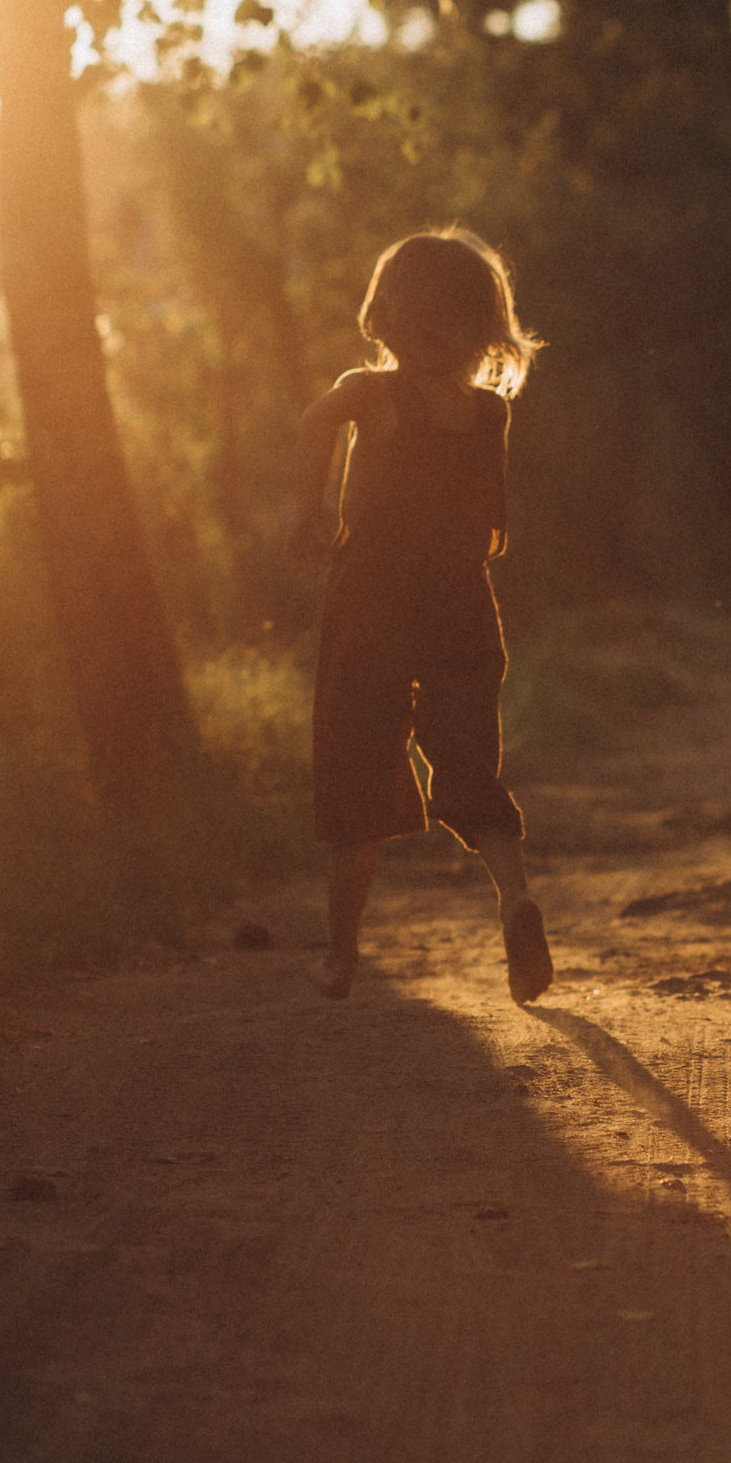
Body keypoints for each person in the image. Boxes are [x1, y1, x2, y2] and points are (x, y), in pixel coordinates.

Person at [285, 228, 552, 1005]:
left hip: (371, 594)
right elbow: (491, 530)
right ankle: (516, 897)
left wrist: (306, 516)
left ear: (388, 311)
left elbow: (312, 423)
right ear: (481, 322)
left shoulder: (369, 391)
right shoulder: (486, 414)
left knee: (355, 760)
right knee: (468, 757)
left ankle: (340, 953)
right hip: (461, 598)